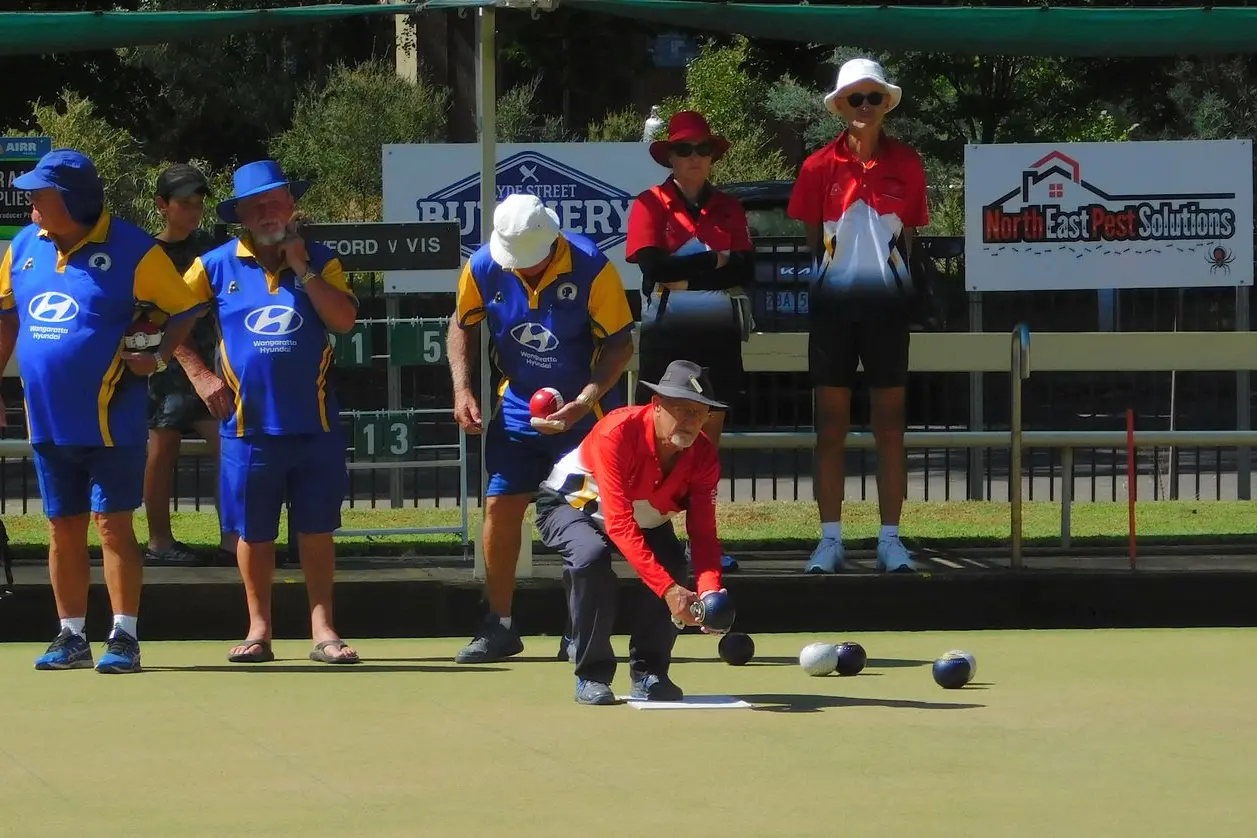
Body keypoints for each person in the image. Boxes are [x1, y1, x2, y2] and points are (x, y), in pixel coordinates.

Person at [0, 149, 205, 673]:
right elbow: (6, 320)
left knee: (112, 526)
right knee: (60, 528)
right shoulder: (23, 246)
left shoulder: (134, 249)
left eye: (40, 193)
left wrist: (158, 357)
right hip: (47, 420)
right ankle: (70, 636)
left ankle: (124, 637)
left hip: (112, 420)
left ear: (71, 199)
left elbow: (186, 305)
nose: (30, 201)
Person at [176, 160, 361, 664]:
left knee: (317, 529)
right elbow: (167, 321)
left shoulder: (322, 259)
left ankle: (323, 629)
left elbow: (344, 321)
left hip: (314, 424)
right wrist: (199, 373)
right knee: (253, 532)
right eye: (255, 206)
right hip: (247, 427)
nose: (266, 212)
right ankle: (259, 628)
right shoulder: (213, 265)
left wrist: (304, 268)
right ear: (240, 215)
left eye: (275, 202)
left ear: (292, 206)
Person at [449, 192, 634, 664]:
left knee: (585, 518)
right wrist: (462, 390)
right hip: (517, 405)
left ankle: (578, 629)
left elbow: (619, 345)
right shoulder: (485, 265)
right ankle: (499, 626)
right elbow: (461, 324)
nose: (522, 269)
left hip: (584, 413)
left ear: (551, 242)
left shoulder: (593, 266)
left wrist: (583, 402)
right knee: (499, 505)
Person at [787, 58, 929, 575]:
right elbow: (812, 238)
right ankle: (830, 540)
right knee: (831, 428)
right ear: (840, 107)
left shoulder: (908, 163)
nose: (864, 107)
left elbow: (908, 236)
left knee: (890, 426)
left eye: (873, 98)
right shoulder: (818, 166)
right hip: (831, 312)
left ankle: (890, 540)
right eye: (854, 99)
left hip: (888, 312)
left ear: (885, 104)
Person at [536, 360, 728, 705]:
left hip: (644, 520)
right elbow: (620, 524)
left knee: (673, 563)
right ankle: (591, 675)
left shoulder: (703, 456)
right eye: (682, 410)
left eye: (700, 414)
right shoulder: (618, 432)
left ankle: (649, 674)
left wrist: (711, 593)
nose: (691, 421)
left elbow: (703, 534)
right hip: (572, 505)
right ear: (656, 406)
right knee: (591, 557)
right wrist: (669, 591)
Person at [626, 109, 753, 573]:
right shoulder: (649, 203)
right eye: (684, 150)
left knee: (706, 444)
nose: (694, 158)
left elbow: (745, 269)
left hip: (718, 328)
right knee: (656, 438)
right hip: (666, 327)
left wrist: (690, 268)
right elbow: (653, 269)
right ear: (671, 157)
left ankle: (705, 548)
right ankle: (655, 542)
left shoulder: (730, 206)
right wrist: (714, 261)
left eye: (703, 149)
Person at [143, 164, 236, 567]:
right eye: (185, 203)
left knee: (230, 448)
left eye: (199, 203)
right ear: (162, 206)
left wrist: (210, 372)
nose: (194, 210)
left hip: (213, 371)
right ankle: (159, 543)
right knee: (161, 450)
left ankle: (233, 542)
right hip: (165, 371)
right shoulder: (146, 255)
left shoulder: (212, 250)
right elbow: (156, 321)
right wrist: (194, 370)